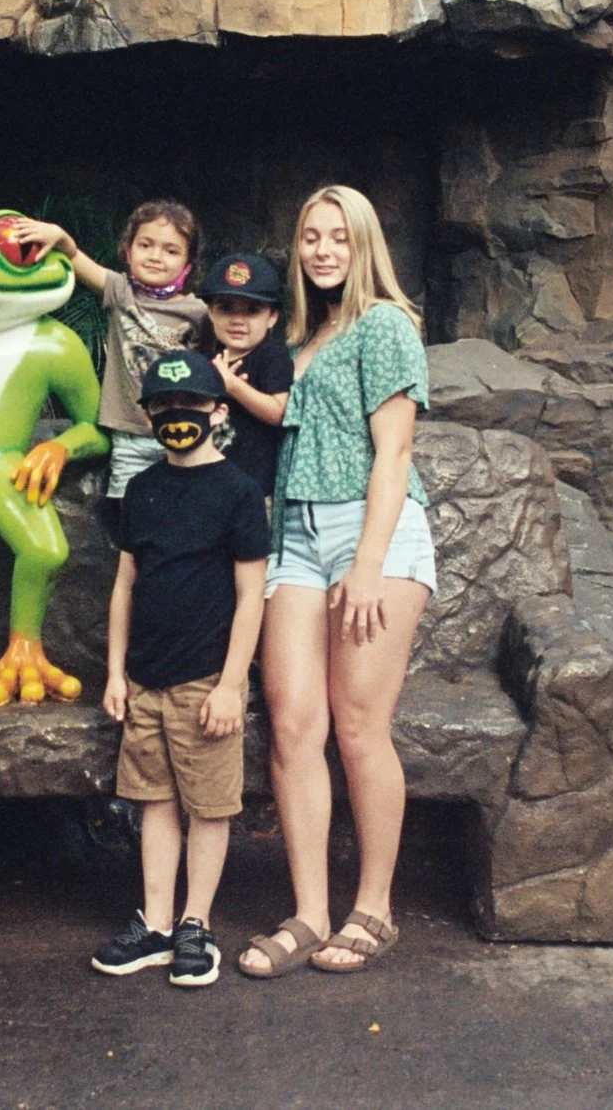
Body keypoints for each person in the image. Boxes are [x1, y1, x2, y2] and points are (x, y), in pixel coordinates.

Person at [239, 184, 435, 978]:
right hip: (293, 536)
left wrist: (365, 564)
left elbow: (394, 453)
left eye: (338, 238)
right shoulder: (301, 334)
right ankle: (311, 911)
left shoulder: (386, 325)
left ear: (364, 246)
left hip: (369, 533)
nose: (322, 250)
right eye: (310, 237)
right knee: (293, 726)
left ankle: (374, 908)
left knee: (358, 725)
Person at [90, 350, 270, 988]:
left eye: (190, 405)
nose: (176, 417)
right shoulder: (142, 491)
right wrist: (116, 674)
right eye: (163, 407)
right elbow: (125, 586)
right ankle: (158, 923)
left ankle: (197, 922)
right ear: (147, 416)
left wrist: (230, 684)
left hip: (203, 683)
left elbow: (252, 595)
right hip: (145, 680)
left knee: (209, 805)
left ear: (218, 411)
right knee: (153, 801)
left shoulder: (239, 492)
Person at [12, 203, 208, 510]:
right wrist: (60, 238)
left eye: (171, 251)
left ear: (188, 263)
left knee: (183, 511)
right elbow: (76, 258)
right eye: (146, 245)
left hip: (182, 431)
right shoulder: (121, 292)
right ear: (128, 251)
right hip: (130, 436)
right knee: (131, 516)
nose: (156, 256)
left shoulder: (198, 312)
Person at [201, 251, 294, 500]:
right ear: (210, 311)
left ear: (272, 316)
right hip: (207, 484)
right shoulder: (205, 358)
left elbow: (279, 412)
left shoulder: (271, 355)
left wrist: (232, 386)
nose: (238, 320)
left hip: (254, 491)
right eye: (226, 308)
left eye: (252, 310)